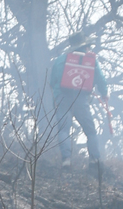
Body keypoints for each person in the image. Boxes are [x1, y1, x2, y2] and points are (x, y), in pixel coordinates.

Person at [46, 38, 111, 172]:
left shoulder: (60, 59)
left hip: (62, 97)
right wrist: (104, 93)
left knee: (64, 130)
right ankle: (94, 160)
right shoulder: (91, 61)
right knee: (90, 131)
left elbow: (52, 82)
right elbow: (101, 79)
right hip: (81, 98)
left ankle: (66, 160)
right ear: (85, 47)